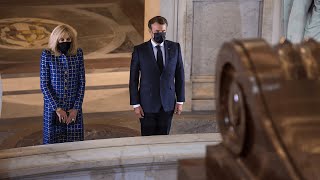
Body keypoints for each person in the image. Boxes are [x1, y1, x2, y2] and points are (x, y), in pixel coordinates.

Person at [129, 16, 185, 136]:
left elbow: (180, 75)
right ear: (150, 31)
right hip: (146, 104)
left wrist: (180, 100)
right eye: (157, 32)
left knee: (164, 139)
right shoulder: (140, 50)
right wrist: (136, 104)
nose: (161, 34)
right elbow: (133, 79)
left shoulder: (175, 48)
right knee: (148, 139)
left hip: (168, 103)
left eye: (163, 32)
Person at [40, 25, 86, 144]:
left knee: (75, 145)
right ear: (56, 40)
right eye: (61, 40)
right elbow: (44, 85)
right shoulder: (47, 55)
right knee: (53, 147)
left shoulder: (78, 54)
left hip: (73, 108)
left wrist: (76, 108)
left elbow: (82, 83)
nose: (65, 42)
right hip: (53, 109)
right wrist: (58, 108)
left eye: (68, 39)